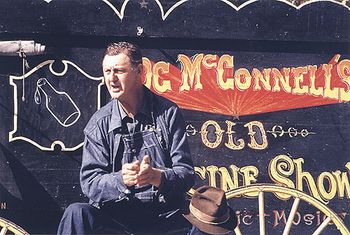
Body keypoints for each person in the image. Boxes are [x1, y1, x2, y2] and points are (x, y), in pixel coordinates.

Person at [57, 42, 195, 234]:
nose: (111, 79)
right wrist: (121, 179)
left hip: (164, 218)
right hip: (117, 220)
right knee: (76, 213)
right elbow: (90, 183)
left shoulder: (168, 113)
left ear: (139, 71)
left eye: (119, 71)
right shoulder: (99, 124)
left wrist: (157, 176)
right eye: (107, 71)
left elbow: (186, 174)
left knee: (212, 224)